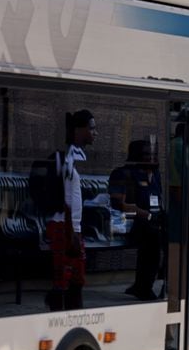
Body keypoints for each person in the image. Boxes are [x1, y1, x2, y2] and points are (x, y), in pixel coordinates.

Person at [46, 109, 98, 311]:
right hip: (64, 227)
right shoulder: (67, 157)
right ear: (78, 130)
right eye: (91, 128)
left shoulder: (74, 157)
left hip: (70, 227)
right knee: (67, 277)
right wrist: (73, 231)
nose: (95, 133)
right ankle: (59, 310)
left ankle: (68, 311)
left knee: (76, 278)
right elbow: (66, 198)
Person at [109, 140, 163, 300]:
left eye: (153, 154)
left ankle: (162, 282)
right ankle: (144, 287)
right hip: (127, 221)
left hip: (151, 220)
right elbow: (119, 204)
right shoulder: (124, 174)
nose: (151, 158)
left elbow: (157, 200)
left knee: (171, 231)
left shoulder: (155, 175)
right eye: (147, 154)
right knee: (153, 234)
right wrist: (146, 215)